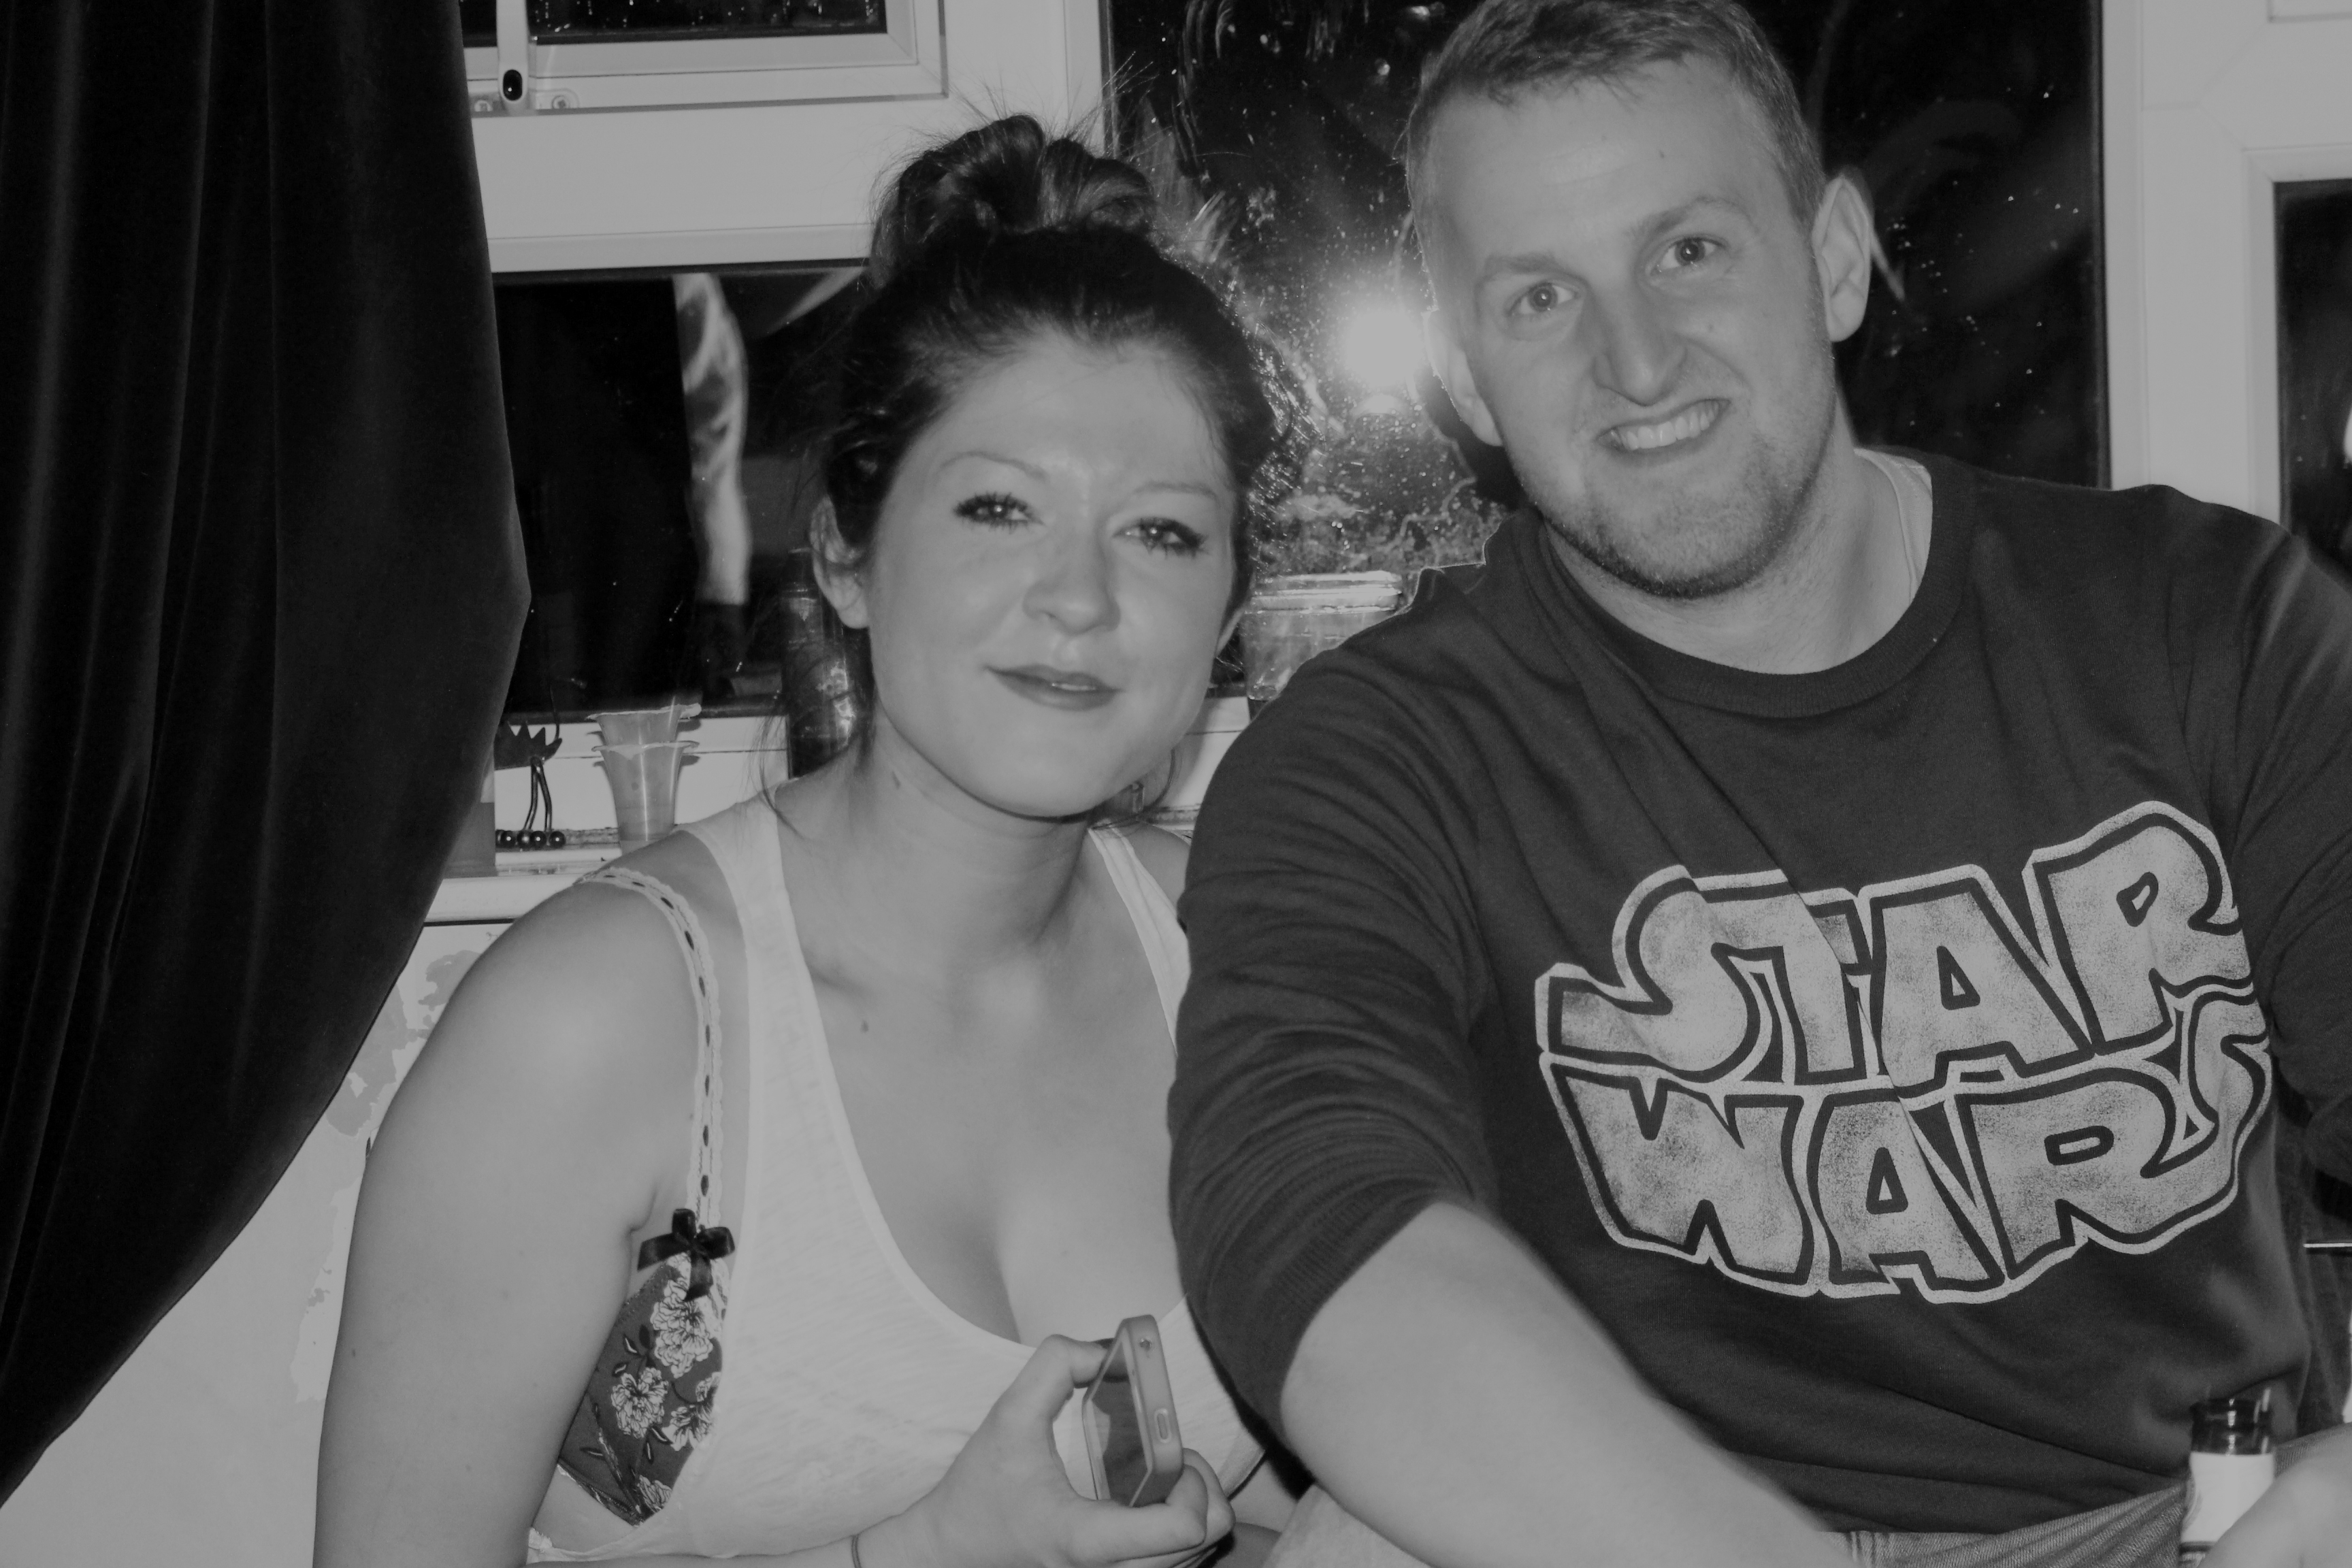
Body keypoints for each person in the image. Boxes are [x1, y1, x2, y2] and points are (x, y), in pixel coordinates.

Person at [1166, 3, 2352, 1567]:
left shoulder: (2202, 624)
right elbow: (1308, 1220)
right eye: (1540, 297)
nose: (1637, 360)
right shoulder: (1379, 754)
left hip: (2180, 1519)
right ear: (1464, 375)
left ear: (1836, 261)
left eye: (1690, 251)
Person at [318, 115, 1298, 1567]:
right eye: (998, 509)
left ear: (1229, 613)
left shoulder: (1247, 964)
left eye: (1160, 533)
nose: (1080, 599)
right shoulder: (599, 1024)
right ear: (845, 552)